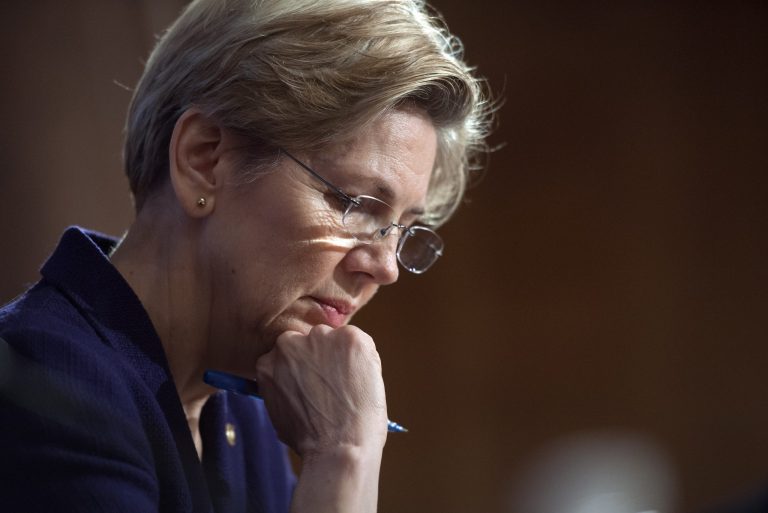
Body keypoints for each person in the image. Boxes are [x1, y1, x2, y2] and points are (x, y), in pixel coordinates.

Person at [0, 0, 491, 511]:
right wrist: (342, 457)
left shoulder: (241, 409)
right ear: (204, 160)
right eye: (355, 203)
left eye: (402, 230)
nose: (385, 267)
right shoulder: (43, 388)